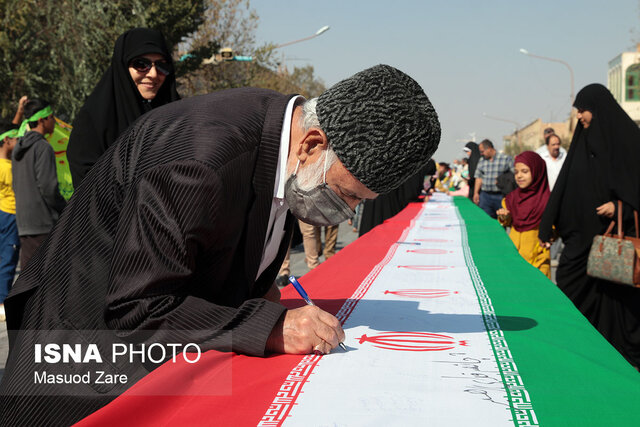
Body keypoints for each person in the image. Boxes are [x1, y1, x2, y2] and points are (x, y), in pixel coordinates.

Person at [0, 64, 441, 425]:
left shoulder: (286, 142)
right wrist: (268, 327)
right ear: (312, 144)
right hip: (80, 363)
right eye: (347, 195)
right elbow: (136, 309)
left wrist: (260, 291)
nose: (344, 214)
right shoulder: (199, 160)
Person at [539, 83, 640, 368]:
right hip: (579, 241)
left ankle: (619, 357)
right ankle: (580, 351)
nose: (580, 116)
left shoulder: (629, 143)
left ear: (598, 108)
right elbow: (562, 188)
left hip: (614, 241)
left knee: (620, 306)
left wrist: (622, 208)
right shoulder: (583, 143)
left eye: (583, 110)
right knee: (569, 283)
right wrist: (548, 225)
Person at [67, 28, 180, 188]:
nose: (153, 74)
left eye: (162, 66)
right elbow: (89, 189)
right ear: (123, 67)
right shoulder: (94, 121)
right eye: (141, 64)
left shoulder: (176, 115)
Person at [11, 99, 66, 269]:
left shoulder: (17, 150)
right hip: (43, 223)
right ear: (42, 120)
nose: (54, 121)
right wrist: (64, 208)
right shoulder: (42, 147)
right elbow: (48, 188)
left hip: (24, 224)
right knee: (50, 282)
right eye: (51, 117)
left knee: (30, 282)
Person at [497, 151, 551, 277]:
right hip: (514, 257)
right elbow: (510, 222)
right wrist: (505, 217)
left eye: (525, 171)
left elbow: (554, 229)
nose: (519, 176)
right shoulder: (511, 198)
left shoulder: (548, 201)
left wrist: (550, 235)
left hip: (538, 260)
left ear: (537, 172)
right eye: (516, 172)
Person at [0, 129, 20, 322]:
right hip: (11, 215)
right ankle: (1, 304)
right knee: (8, 259)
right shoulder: (8, 167)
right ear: (6, 141)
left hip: (2, 213)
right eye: (16, 139)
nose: (19, 142)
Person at [473, 139, 513, 218]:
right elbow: (479, 177)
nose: (481, 154)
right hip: (485, 196)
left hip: (501, 196)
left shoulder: (505, 159)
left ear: (489, 149)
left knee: (501, 220)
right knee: (485, 219)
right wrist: (476, 193)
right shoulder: (482, 161)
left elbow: (514, 176)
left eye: (482, 151)